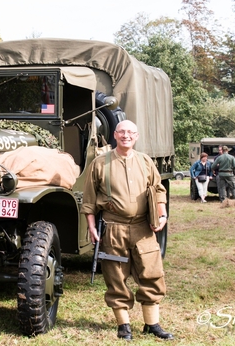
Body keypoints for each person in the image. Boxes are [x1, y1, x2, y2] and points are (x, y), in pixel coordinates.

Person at [82, 120, 173, 341]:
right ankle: (124, 326)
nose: (126, 136)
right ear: (115, 134)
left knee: (151, 274)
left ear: (137, 136)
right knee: (116, 277)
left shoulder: (145, 162)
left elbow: (158, 189)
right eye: (122, 131)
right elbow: (89, 200)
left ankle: (152, 325)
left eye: (131, 132)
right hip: (114, 229)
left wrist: (162, 214)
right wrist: (92, 228)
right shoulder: (100, 163)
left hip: (143, 228)